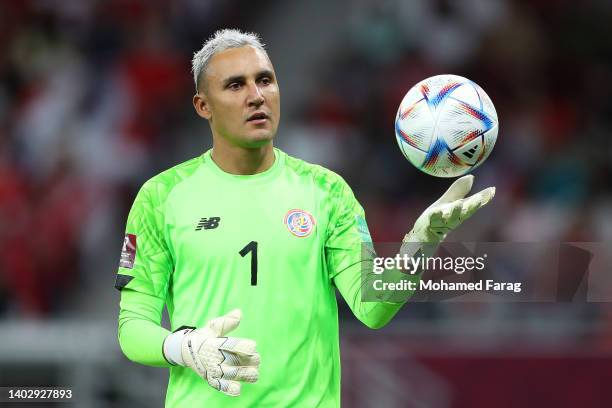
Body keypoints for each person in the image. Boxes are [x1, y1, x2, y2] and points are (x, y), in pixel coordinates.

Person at [115, 28, 495, 407]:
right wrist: (183, 346)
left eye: (265, 80)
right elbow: (132, 327)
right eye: (235, 86)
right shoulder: (161, 198)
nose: (256, 96)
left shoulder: (327, 192)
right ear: (203, 106)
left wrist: (421, 243)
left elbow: (373, 307)